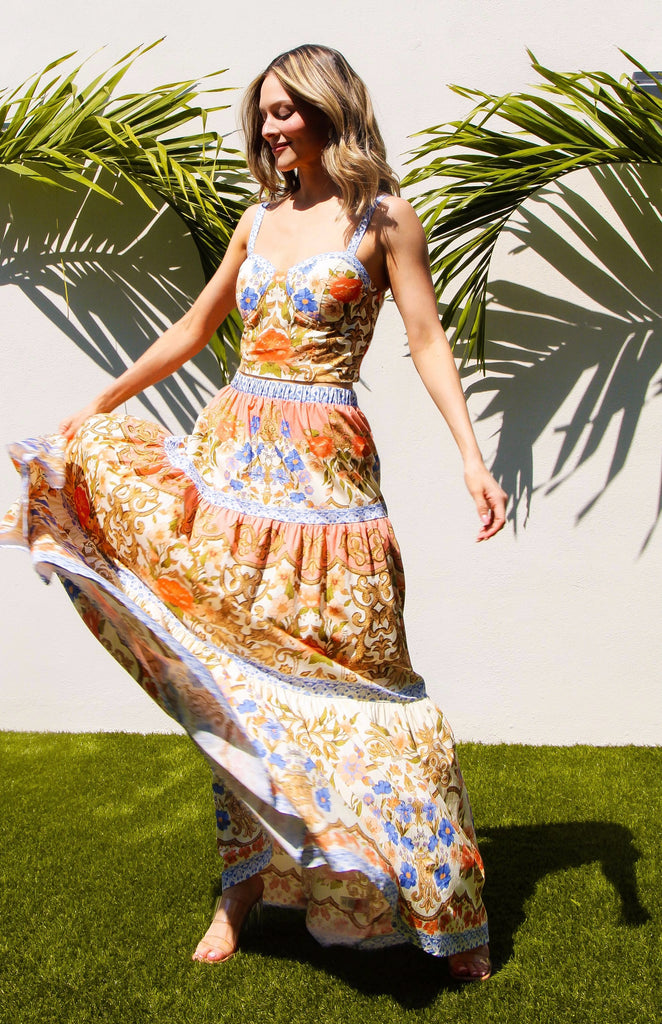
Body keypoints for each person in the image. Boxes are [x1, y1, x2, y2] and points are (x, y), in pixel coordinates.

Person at [2, 44, 506, 983]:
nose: (271, 127)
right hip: (232, 467)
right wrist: (99, 405)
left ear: (328, 109)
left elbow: (428, 339)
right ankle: (241, 890)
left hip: (328, 480)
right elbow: (196, 328)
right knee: (234, 676)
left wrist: (472, 460)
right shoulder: (257, 216)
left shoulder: (385, 216)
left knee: (365, 679)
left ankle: (443, 904)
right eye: (264, 112)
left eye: (286, 110)